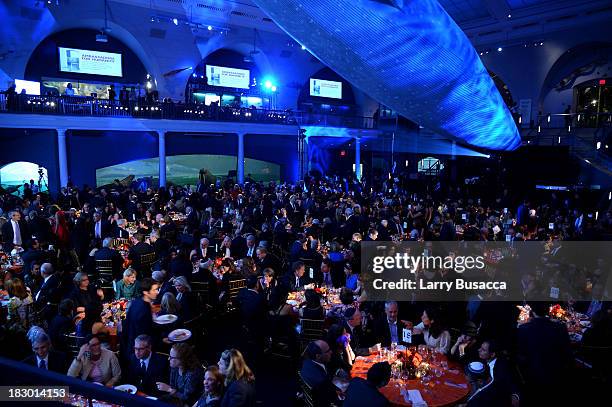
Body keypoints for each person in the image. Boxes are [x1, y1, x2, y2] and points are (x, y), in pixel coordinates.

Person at [476, 340, 520, 407]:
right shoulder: (485, 360)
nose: (479, 350)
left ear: (492, 354)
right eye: (480, 348)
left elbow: (511, 382)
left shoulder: (500, 369)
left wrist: (515, 395)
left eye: (483, 350)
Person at [123, 278, 159, 353]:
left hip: (131, 345)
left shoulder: (136, 302)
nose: (157, 292)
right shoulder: (143, 311)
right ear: (146, 292)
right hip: (139, 350)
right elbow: (145, 335)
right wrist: (161, 339)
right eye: (154, 290)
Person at [300, 340, 339, 407]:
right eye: (328, 351)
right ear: (318, 356)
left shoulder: (306, 361)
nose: (331, 352)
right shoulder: (321, 381)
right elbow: (330, 398)